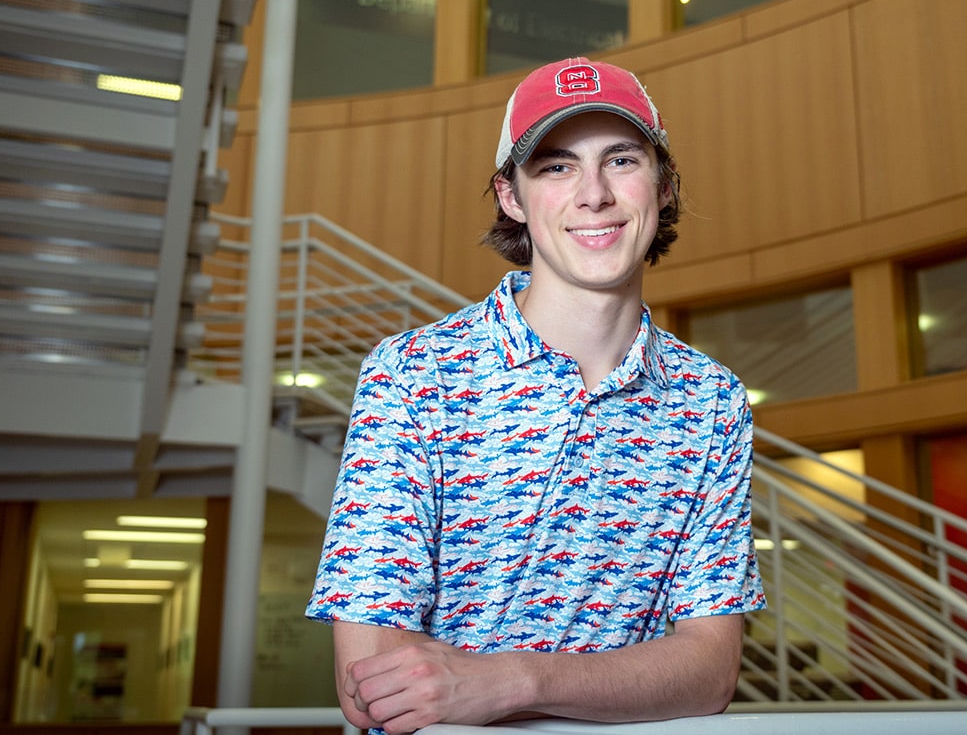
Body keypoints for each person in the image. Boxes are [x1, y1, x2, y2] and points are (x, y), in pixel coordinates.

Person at [306, 56, 765, 734]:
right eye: (556, 166)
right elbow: (371, 680)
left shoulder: (713, 402)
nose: (593, 196)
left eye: (621, 160)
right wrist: (619, 681)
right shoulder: (414, 374)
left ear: (663, 186)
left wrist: (511, 680)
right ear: (511, 196)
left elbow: (709, 671)